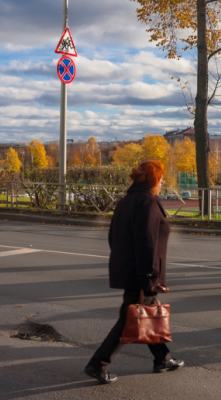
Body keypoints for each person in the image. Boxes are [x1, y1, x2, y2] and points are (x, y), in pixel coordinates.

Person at [85, 161, 184, 384]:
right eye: (161, 179)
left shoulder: (126, 201)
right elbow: (147, 242)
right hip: (142, 273)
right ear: (154, 180)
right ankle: (98, 363)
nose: (162, 183)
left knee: (148, 312)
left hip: (131, 269)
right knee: (130, 318)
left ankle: (162, 358)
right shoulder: (147, 202)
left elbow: (113, 238)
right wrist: (150, 275)